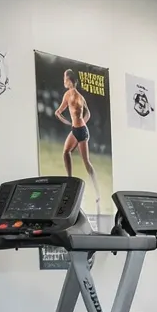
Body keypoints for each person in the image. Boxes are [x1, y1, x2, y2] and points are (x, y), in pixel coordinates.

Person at [55, 69, 100, 210]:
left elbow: (59, 111)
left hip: (80, 131)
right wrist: (77, 123)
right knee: (66, 152)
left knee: (86, 162)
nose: (64, 81)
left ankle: (97, 192)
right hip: (78, 129)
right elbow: (88, 113)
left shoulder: (70, 95)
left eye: (65, 78)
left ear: (69, 80)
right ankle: (70, 181)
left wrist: (67, 121)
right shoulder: (79, 96)